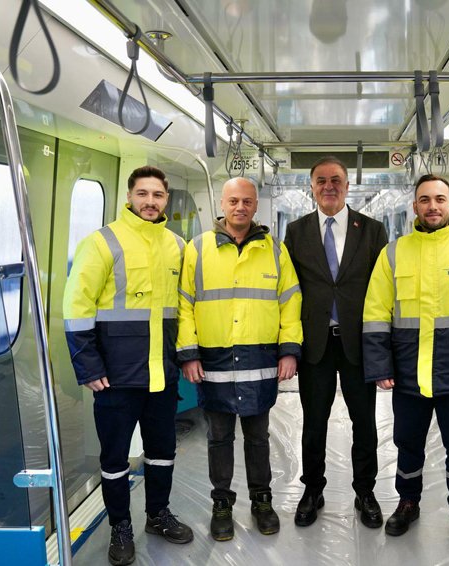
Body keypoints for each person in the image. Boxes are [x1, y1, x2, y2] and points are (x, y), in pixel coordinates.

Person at [63, 165, 193, 566]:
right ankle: (120, 525)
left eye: (157, 195)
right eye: (143, 194)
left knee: (162, 451)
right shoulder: (102, 243)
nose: (150, 202)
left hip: (162, 374)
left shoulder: (178, 246)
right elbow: (77, 307)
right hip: (115, 376)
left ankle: (157, 514)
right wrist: (88, 367)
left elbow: (184, 308)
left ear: (166, 199)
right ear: (129, 197)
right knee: (115, 458)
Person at [363, 174, 449, 546]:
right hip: (408, 372)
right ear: (415, 207)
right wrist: (380, 366)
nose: (433, 206)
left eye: (440, 199)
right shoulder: (393, 253)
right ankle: (408, 502)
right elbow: (375, 312)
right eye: (425, 200)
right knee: (407, 443)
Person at [176, 177, 302, 542]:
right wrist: (189, 354)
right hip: (213, 360)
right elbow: (184, 304)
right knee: (218, 437)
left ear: (256, 205)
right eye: (233, 201)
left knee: (258, 436)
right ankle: (222, 505)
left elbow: (291, 302)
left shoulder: (275, 250)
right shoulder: (198, 249)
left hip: (259, 357)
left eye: (247, 201)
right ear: (222, 203)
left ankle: (262, 501)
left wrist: (289, 350)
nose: (240, 207)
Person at [284, 156, 388, 528]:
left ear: (347, 185)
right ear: (311, 187)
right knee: (314, 423)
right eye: (321, 180)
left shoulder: (372, 230)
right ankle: (312, 490)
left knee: (365, 423)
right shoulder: (296, 232)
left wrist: (383, 348)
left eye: (336, 180)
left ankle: (366, 491)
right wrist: (289, 345)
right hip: (316, 345)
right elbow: (290, 290)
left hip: (358, 344)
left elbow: (382, 291)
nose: (329, 186)